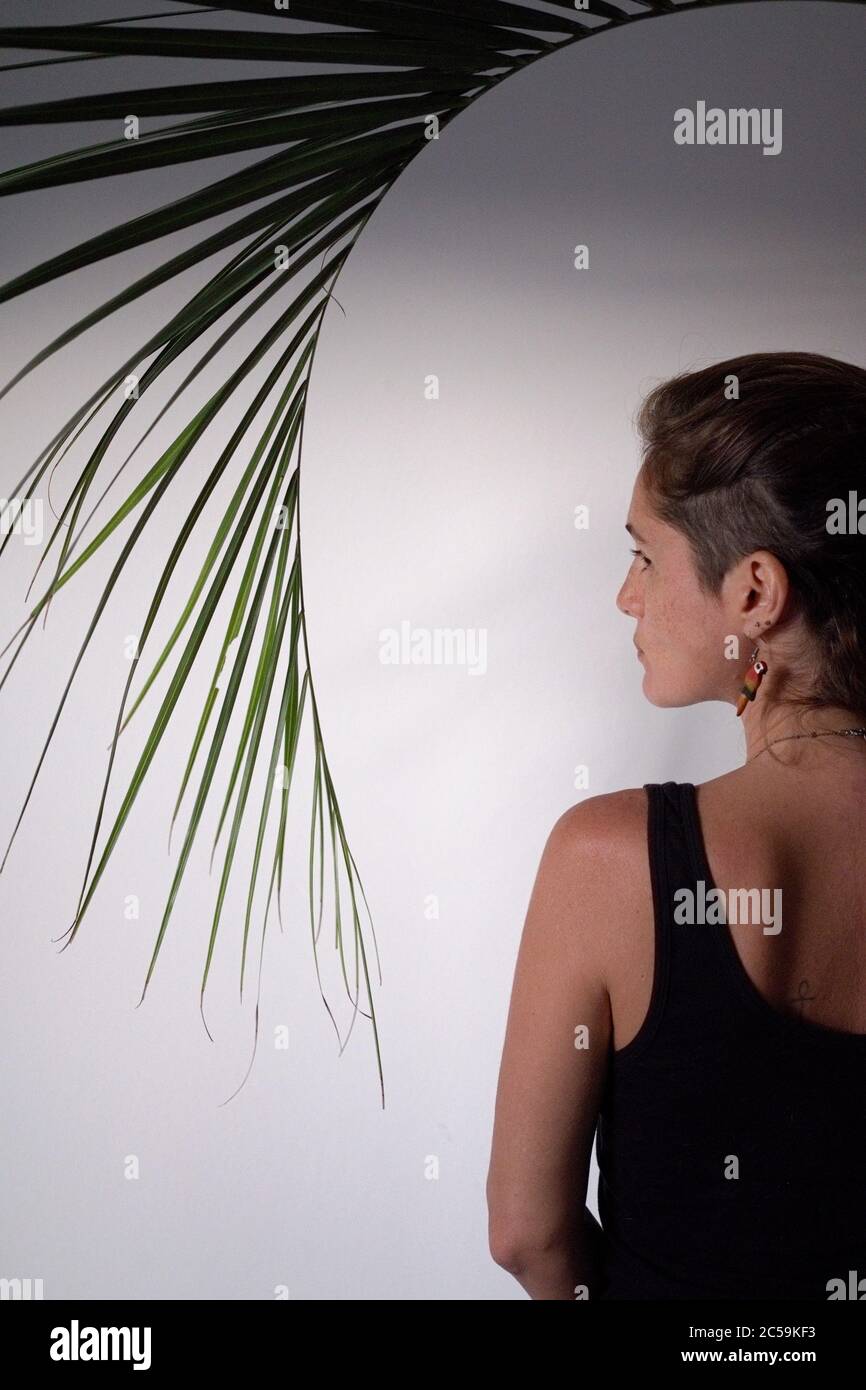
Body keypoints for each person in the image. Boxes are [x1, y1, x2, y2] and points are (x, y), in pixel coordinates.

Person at [486, 351, 866, 1299]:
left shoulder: (609, 861)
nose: (627, 594)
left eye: (645, 555)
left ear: (754, 594)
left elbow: (526, 1234)